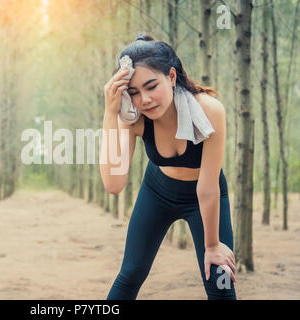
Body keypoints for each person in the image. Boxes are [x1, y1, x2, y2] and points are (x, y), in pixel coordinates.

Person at [100, 34, 237, 300]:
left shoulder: (209, 111)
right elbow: (113, 184)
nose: (145, 100)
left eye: (152, 86)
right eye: (134, 93)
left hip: (205, 196)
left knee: (220, 283)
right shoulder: (134, 118)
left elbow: (207, 188)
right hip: (157, 192)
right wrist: (110, 112)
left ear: (172, 77)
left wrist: (212, 245)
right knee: (130, 274)